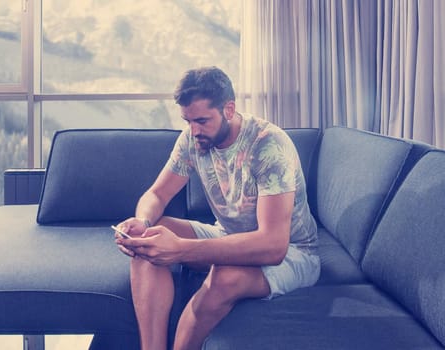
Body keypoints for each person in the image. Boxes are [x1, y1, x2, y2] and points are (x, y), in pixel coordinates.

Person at [115, 66, 320, 350]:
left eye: (201, 120)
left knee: (224, 276)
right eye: (188, 121)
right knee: (147, 239)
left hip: (293, 254)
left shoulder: (268, 145)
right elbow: (157, 194)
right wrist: (143, 222)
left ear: (229, 109)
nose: (194, 130)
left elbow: (274, 246)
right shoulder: (192, 138)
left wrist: (180, 249)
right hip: (227, 235)